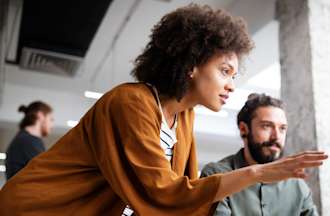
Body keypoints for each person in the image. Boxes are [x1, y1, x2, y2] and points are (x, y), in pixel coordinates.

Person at [0, 4, 327, 216]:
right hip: (36, 208)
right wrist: (256, 174)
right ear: (191, 65)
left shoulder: (183, 116)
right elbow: (163, 194)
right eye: (225, 71)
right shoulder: (131, 103)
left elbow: (184, 197)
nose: (231, 85)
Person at [201, 93, 319, 216]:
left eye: (282, 128)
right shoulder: (215, 176)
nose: (276, 136)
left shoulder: (297, 184)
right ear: (243, 129)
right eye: (266, 126)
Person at [5, 101, 54, 180]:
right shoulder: (26, 141)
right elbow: (47, 173)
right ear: (40, 115)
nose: (52, 125)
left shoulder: (27, 140)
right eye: (51, 119)